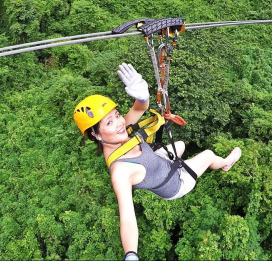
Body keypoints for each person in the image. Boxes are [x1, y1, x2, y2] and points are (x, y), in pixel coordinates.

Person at [73, 63, 242, 261]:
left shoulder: (115, 135)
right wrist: (131, 254)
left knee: (179, 144)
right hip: (174, 183)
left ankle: (183, 160)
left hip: (158, 163)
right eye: (109, 122)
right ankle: (224, 163)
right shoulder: (120, 172)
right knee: (207, 154)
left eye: (117, 115)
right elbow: (127, 217)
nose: (120, 123)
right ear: (95, 135)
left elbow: (140, 107)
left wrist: (142, 96)